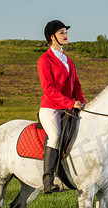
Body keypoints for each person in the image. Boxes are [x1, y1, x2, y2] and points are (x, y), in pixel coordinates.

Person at [37, 20, 87, 194]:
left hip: (68, 107)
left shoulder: (69, 61)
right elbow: (48, 89)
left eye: (66, 32)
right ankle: (48, 180)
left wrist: (82, 103)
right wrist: (69, 103)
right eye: (61, 33)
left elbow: (78, 86)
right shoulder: (44, 60)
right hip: (50, 108)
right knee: (55, 136)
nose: (66, 35)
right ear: (52, 37)